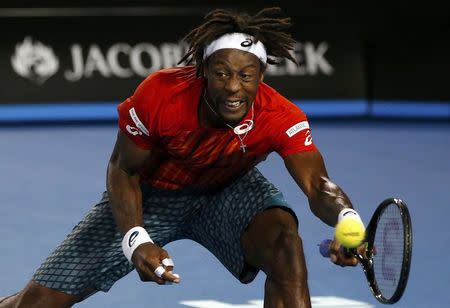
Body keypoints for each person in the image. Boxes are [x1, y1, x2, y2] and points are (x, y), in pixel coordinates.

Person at [0, 7, 365, 308]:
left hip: (229, 190)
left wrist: (346, 219)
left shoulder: (281, 115)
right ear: (203, 71)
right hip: (152, 194)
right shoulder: (161, 95)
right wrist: (136, 239)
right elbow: (123, 169)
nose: (234, 86)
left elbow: (319, 186)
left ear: (262, 74)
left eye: (246, 75)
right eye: (222, 73)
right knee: (35, 304)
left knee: (286, 243)